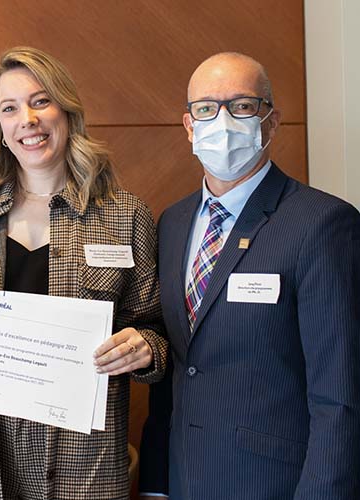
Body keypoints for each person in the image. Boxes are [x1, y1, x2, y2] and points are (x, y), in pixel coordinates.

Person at [0, 46, 168, 500]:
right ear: (0, 128)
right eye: (9, 108)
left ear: (67, 111)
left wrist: (144, 349)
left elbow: (156, 329)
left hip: (81, 467)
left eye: (40, 101)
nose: (27, 120)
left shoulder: (125, 216)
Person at [139, 52, 360, 499]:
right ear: (189, 126)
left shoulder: (323, 224)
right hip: (185, 479)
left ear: (271, 122)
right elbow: (179, 370)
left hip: (273, 485)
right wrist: (156, 485)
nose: (222, 121)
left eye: (241, 106)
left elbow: (341, 396)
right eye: (206, 108)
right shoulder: (172, 223)